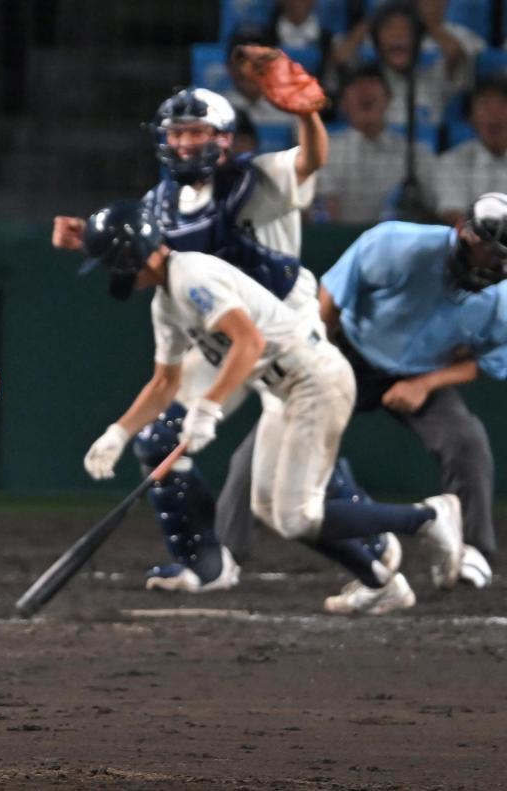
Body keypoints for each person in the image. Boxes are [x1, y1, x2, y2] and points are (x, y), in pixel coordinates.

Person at [80, 200, 464, 614]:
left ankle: (426, 517)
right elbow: (164, 382)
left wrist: (208, 408)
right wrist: (118, 432)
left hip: (314, 379)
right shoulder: (166, 301)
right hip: (284, 391)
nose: (110, 271)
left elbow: (249, 342)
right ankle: (380, 584)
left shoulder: (192, 276)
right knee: (268, 506)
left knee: (297, 516)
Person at [53, 82, 348, 593]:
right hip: (223, 342)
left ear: (223, 138)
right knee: (159, 440)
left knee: (296, 468)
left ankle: (380, 542)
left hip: (286, 332)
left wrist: (308, 114)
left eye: (197, 131)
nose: (186, 142)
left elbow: (311, 160)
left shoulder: (257, 177)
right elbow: (138, 248)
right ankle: (206, 565)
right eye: (178, 132)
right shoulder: (161, 202)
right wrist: (91, 239)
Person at [319, 192, 507, 582]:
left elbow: (480, 362)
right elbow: (332, 295)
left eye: (500, 256)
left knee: (466, 441)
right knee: (271, 438)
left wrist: (425, 384)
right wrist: (320, 358)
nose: (492, 261)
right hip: (351, 352)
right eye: (486, 248)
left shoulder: (499, 301)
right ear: (463, 230)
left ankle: (472, 551)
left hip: (423, 372)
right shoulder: (398, 244)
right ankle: (225, 550)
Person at [315, 63, 436, 224]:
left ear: (388, 98)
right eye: (356, 85)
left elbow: (432, 205)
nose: (364, 90)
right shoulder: (325, 151)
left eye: (372, 83)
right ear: (343, 103)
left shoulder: (414, 154)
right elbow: (328, 209)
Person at [329, 0, 478, 128]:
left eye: (407, 29)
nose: (398, 34)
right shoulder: (366, 83)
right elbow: (340, 57)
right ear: (377, 42)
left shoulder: (433, 78)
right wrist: (372, 20)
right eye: (389, 28)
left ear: (419, 39)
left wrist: (426, 23)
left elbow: (454, 53)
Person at [434, 77, 507, 226]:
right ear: (470, 117)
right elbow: (452, 214)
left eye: (502, 103)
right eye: (484, 103)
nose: (494, 113)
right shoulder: (450, 162)